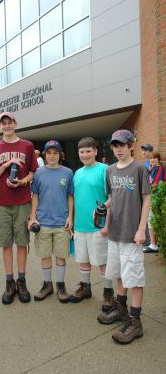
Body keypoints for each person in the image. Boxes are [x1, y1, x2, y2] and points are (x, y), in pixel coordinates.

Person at [97, 129, 150, 344]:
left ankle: (135, 322)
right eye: (115, 145)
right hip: (115, 233)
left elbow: (146, 199)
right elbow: (112, 197)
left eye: (123, 145)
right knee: (119, 273)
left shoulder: (139, 168)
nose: (119, 149)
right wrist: (104, 209)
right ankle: (121, 309)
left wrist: (141, 229)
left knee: (134, 277)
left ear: (131, 146)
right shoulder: (110, 170)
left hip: (131, 233)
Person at [0, 112, 38, 304]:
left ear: (15, 123)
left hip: (22, 201)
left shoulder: (27, 145)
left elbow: (33, 171)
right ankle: (10, 281)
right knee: (6, 243)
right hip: (2, 203)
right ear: (0, 126)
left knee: (22, 242)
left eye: (10, 122)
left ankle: (21, 281)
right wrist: (6, 165)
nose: (7, 126)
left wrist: (22, 181)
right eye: (3, 123)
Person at [69, 137, 114, 313]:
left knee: (103, 262)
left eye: (89, 151)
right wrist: (71, 221)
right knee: (83, 260)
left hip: (99, 226)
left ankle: (109, 293)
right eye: (82, 152)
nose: (85, 154)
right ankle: (85, 288)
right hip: (80, 226)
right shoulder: (77, 173)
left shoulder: (105, 170)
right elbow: (75, 199)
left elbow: (111, 198)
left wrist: (107, 224)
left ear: (95, 151)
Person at [28, 140, 74, 302]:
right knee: (45, 255)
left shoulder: (68, 172)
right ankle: (47, 284)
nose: (52, 156)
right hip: (43, 222)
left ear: (60, 155)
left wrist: (70, 217)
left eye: (55, 153)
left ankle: (60, 285)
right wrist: (33, 217)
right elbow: (35, 196)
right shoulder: (39, 173)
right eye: (49, 153)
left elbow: (70, 195)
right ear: (44, 154)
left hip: (62, 222)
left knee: (61, 256)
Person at [143, 150, 164, 253]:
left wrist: (148, 196)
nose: (152, 160)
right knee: (150, 220)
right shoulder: (153, 169)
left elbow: (155, 185)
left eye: (154, 158)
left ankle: (153, 245)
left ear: (158, 159)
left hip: (153, 198)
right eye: (151, 158)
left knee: (151, 220)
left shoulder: (159, 169)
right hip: (151, 197)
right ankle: (152, 241)